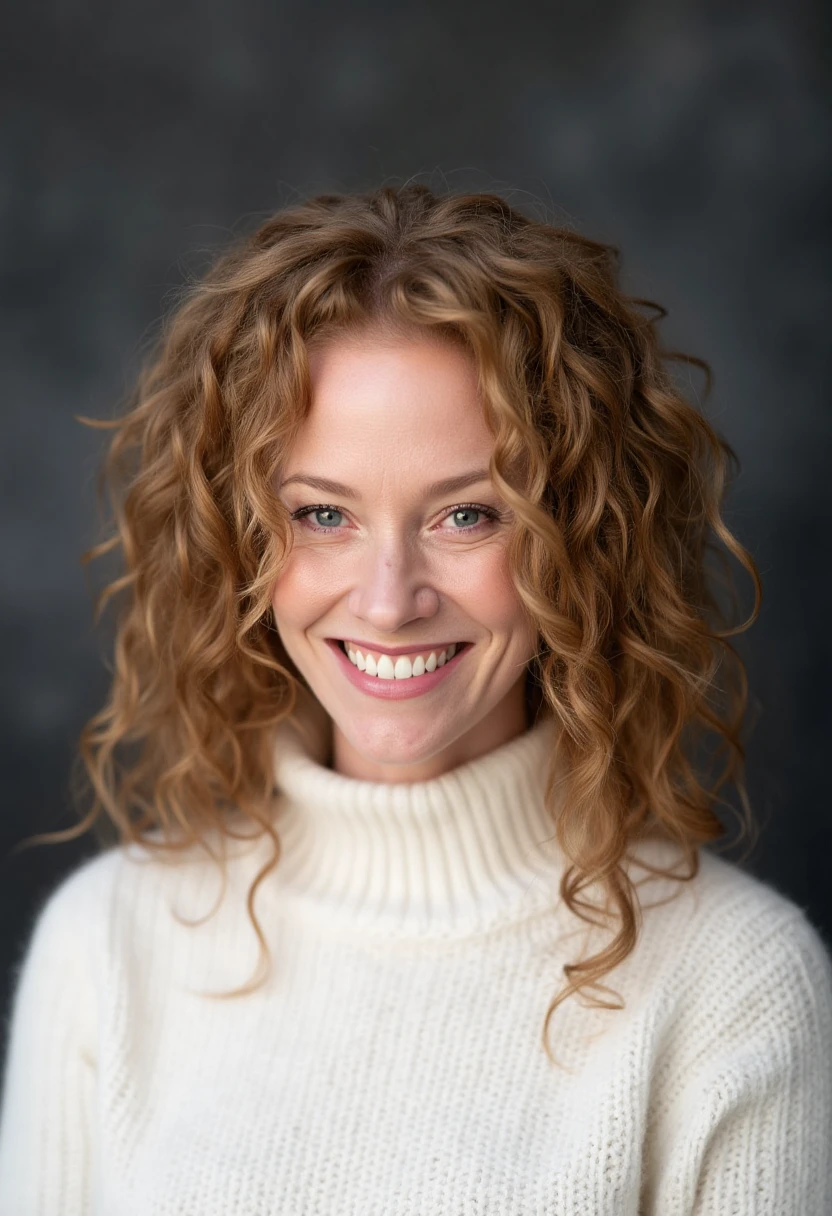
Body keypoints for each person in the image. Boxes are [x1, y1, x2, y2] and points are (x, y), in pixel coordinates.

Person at [0, 183, 830, 1215]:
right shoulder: (106, 946)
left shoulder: (734, 985)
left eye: (468, 514)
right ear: (238, 538)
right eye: (320, 514)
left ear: (582, 537)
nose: (389, 600)